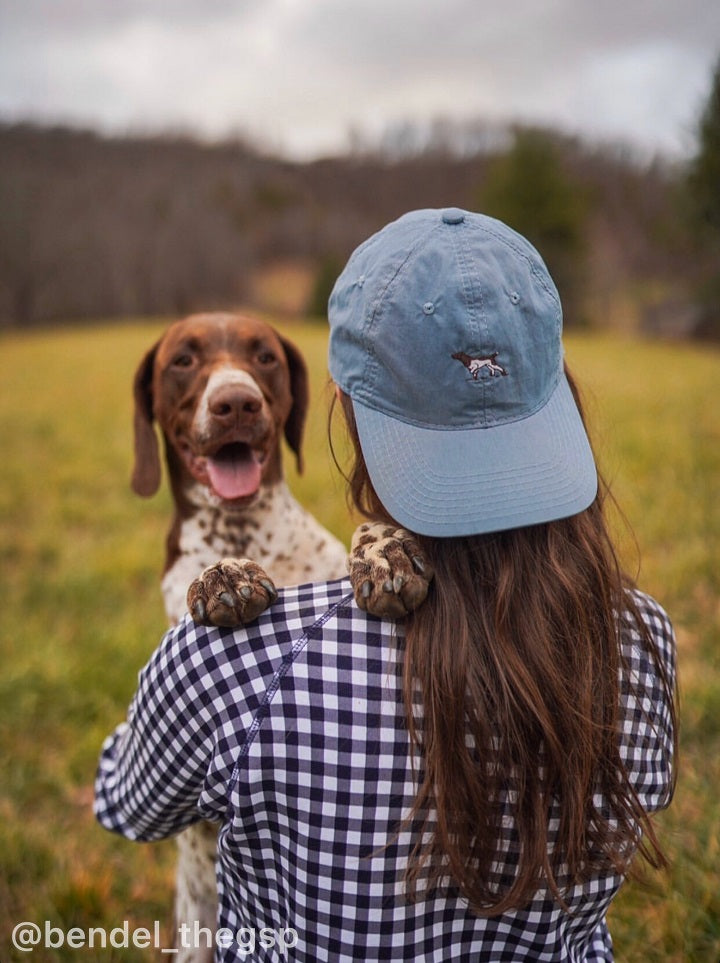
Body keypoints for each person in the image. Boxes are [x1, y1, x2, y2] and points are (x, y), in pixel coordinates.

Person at [95, 208, 676, 961]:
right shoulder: (645, 644)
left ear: (339, 410)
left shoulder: (227, 666)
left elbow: (126, 802)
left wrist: (174, 693)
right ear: (558, 399)